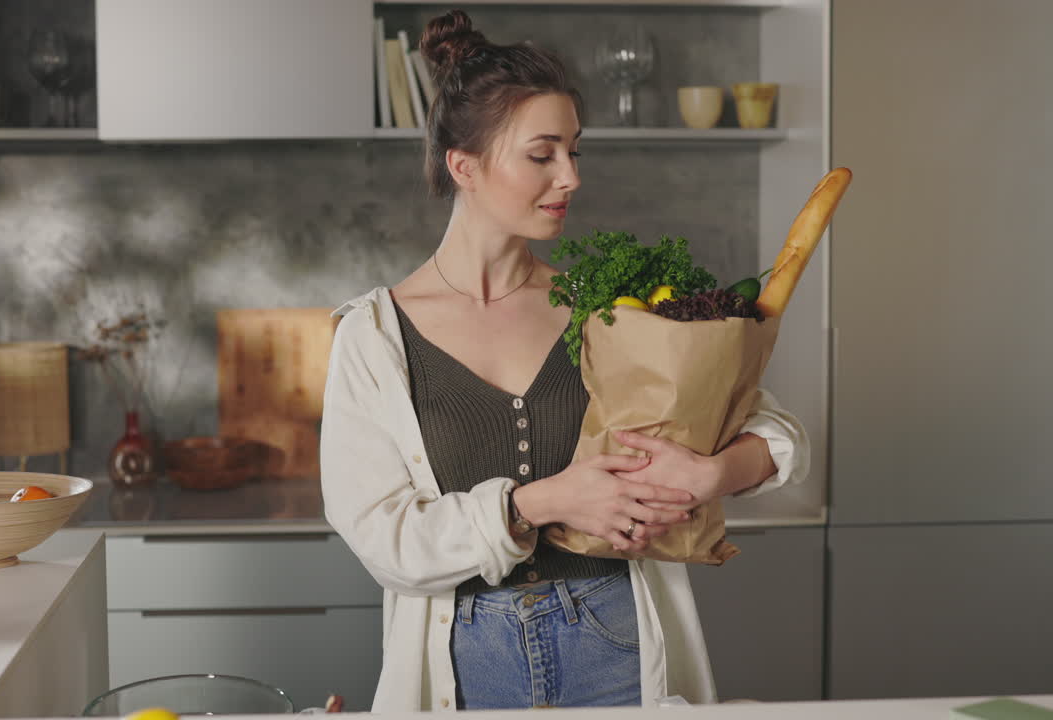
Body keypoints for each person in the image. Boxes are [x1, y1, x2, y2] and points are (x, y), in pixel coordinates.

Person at [320, 9, 810, 712]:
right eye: (543, 154)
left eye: (576, 151)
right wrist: (544, 502)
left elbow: (779, 436)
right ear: (465, 166)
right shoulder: (373, 336)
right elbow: (386, 541)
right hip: (465, 660)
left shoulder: (609, 305)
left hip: (615, 640)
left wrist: (712, 474)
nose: (571, 176)